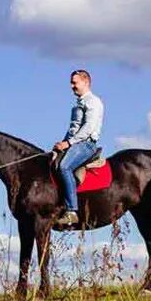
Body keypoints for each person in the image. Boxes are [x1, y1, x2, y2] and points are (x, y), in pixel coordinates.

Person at [53, 70, 104, 227]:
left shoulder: (93, 102)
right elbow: (72, 130)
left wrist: (68, 144)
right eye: (71, 82)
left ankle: (72, 212)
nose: (72, 86)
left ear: (86, 82)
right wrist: (61, 145)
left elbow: (88, 128)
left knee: (64, 167)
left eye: (75, 82)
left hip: (86, 144)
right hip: (74, 142)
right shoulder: (78, 105)